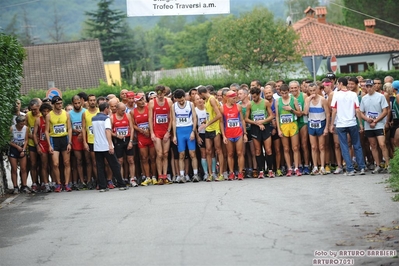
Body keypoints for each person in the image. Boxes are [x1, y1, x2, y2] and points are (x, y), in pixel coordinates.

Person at [330, 77, 366, 176]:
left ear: (341, 83)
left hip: (341, 124)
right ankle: (362, 167)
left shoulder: (336, 95)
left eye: (338, 83)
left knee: (344, 146)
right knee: (357, 145)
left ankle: (350, 169)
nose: (337, 85)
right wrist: (361, 124)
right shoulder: (353, 94)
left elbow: (334, 110)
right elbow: (357, 110)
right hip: (352, 123)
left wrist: (332, 124)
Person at [92, 102, 128, 192]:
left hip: (97, 145)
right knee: (115, 164)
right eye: (109, 108)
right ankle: (121, 184)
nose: (110, 110)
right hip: (106, 145)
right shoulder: (106, 119)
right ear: (106, 109)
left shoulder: (93, 118)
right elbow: (108, 131)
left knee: (100, 166)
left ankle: (102, 186)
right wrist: (110, 145)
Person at [360, 79, 389, 173]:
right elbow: (361, 112)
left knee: (382, 144)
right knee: (373, 145)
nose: (369, 88)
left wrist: (376, 121)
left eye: (370, 86)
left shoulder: (381, 96)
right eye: (367, 87)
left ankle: (388, 164)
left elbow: (385, 111)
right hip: (369, 125)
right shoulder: (364, 98)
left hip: (379, 124)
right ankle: (378, 164)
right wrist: (367, 119)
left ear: (374, 87)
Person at [44, 96, 73, 192]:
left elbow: (69, 128)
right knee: (55, 164)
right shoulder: (49, 115)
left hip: (64, 138)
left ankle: (67, 183)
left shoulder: (66, 114)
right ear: (53, 105)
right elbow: (47, 131)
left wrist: (69, 142)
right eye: (57, 104)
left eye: (61, 103)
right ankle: (58, 183)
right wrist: (49, 145)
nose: (60, 105)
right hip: (54, 139)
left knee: (66, 162)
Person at [245, 87, 275, 178]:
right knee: (258, 151)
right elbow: (246, 118)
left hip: (265, 127)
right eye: (252, 97)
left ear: (258, 95)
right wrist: (256, 123)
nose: (253, 98)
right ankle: (261, 170)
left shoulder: (265, 102)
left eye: (255, 97)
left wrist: (263, 121)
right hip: (255, 128)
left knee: (268, 149)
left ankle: (270, 170)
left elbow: (271, 116)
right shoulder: (250, 104)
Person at [171, 89, 199, 182]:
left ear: (184, 97)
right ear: (176, 99)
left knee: (192, 153)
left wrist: (193, 131)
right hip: (180, 131)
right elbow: (174, 121)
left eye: (182, 100)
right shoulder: (174, 106)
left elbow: (195, 118)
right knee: (181, 154)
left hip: (189, 129)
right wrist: (174, 135)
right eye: (179, 101)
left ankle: (195, 174)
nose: (181, 102)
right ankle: (182, 175)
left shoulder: (190, 104)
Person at [198, 86, 225, 182]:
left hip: (215, 128)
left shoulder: (212, 99)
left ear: (202, 94)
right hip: (208, 129)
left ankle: (221, 174)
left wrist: (207, 123)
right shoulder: (207, 100)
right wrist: (205, 122)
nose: (200, 99)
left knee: (218, 150)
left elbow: (218, 115)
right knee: (208, 151)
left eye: (200, 96)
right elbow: (210, 115)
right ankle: (210, 174)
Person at [275, 84, 302, 176]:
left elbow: (299, 113)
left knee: (295, 148)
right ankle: (289, 168)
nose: (284, 95)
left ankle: (297, 168)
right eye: (282, 93)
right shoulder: (278, 101)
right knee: (286, 148)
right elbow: (277, 116)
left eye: (286, 93)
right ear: (280, 93)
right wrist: (278, 129)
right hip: (283, 126)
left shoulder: (293, 100)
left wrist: (291, 110)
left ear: (288, 92)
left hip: (293, 125)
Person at [148, 85, 173, 185]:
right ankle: (160, 176)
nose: (160, 95)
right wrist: (152, 133)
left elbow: (171, 118)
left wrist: (168, 131)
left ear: (164, 93)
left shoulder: (169, 102)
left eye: (161, 93)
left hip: (165, 130)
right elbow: (150, 118)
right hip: (157, 131)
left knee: (166, 154)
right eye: (158, 94)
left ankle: (165, 175)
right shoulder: (152, 102)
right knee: (159, 154)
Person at [303, 83, 330, 175]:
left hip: (321, 123)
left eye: (314, 90)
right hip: (311, 123)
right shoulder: (307, 99)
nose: (312, 92)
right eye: (310, 91)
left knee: (321, 146)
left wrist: (327, 127)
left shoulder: (322, 100)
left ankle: (322, 166)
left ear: (317, 90)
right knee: (313, 147)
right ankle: (315, 166)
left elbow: (328, 114)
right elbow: (305, 112)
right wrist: (308, 101)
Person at [221, 90, 248, 180]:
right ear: (228, 98)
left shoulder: (238, 106)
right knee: (230, 154)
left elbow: (242, 120)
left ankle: (240, 173)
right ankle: (231, 173)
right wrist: (223, 136)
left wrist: (245, 133)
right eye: (233, 98)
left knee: (240, 153)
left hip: (238, 133)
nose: (235, 100)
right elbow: (221, 122)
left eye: (235, 98)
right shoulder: (223, 108)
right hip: (228, 134)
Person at [131, 94, 157, 186]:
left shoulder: (148, 108)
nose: (142, 102)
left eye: (143, 100)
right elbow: (133, 125)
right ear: (136, 102)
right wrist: (141, 130)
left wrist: (149, 130)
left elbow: (153, 120)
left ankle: (154, 176)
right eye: (140, 100)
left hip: (150, 135)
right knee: (144, 158)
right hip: (141, 137)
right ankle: (147, 177)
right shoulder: (133, 112)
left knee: (153, 157)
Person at [110, 102, 136, 186]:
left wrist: (131, 141)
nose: (123, 112)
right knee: (120, 161)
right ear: (117, 110)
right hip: (118, 140)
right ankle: (120, 180)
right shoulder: (112, 118)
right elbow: (109, 132)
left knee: (131, 160)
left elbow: (132, 129)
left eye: (124, 110)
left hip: (127, 139)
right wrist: (117, 135)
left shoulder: (127, 115)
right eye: (122, 110)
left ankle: (132, 179)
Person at [289, 81, 310, 175]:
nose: (293, 89)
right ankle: (299, 165)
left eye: (295, 87)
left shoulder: (304, 96)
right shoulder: (288, 98)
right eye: (292, 88)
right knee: (296, 146)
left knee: (304, 144)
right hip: (293, 122)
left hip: (303, 121)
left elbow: (305, 111)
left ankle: (306, 165)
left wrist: (300, 112)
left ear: (298, 87)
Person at [33, 103, 52, 193]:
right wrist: (37, 146)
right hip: (42, 144)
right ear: (41, 112)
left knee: (52, 164)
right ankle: (46, 183)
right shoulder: (38, 120)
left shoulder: (52, 118)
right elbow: (34, 134)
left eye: (48, 111)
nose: (46, 113)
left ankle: (54, 182)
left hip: (51, 143)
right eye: (44, 111)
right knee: (44, 165)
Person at [69, 95, 87, 189]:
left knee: (88, 160)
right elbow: (69, 127)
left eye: (78, 103)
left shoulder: (85, 112)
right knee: (78, 160)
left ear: (81, 102)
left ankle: (89, 179)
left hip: (85, 138)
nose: (77, 105)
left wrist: (82, 133)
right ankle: (81, 181)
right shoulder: (69, 114)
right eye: (75, 103)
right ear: (72, 103)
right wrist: (75, 130)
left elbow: (88, 125)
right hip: (75, 138)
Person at [8, 115, 29, 194]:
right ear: (17, 123)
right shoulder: (12, 128)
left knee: (23, 168)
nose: (22, 125)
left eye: (23, 123)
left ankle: (24, 185)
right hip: (14, 149)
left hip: (22, 148)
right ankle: (15, 187)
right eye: (20, 124)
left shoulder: (26, 128)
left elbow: (26, 140)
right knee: (14, 169)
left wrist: (23, 149)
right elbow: (9, 141)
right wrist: (16, 147)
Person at [82, 94, 98, 189]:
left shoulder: (100, 111)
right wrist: (85, 142)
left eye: (94, 100)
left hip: (100, 140)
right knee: (94, 162)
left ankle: (106, 180)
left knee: (104, 162)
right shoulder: (85, 113)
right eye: (90, 100)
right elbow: (84, 128)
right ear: (87, 102)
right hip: (91, 140)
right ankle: (98, 180)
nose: (92, 102)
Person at [25, 99, 41, 192]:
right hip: (31, 143)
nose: (34, 111)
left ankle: (43, 182)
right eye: (32, 109)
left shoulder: (42, 115)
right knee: (33, 164)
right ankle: (35, 182)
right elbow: (25, 130)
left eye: (35, 109)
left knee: (43, 164)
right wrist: (32, 136)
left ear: (39, 107)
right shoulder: (28, 116)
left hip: (41, 142)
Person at [194, 94, 209, 181]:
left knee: (210, 152)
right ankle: (205, 173)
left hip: (209, 132)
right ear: (195, 101)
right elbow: (194, 125)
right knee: (203, 154)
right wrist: (197, 136)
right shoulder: (195, 110)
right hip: (200, 134)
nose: (199, 100)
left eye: (200, 98)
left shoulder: (207, 108)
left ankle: (212, 172)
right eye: (197, 99)